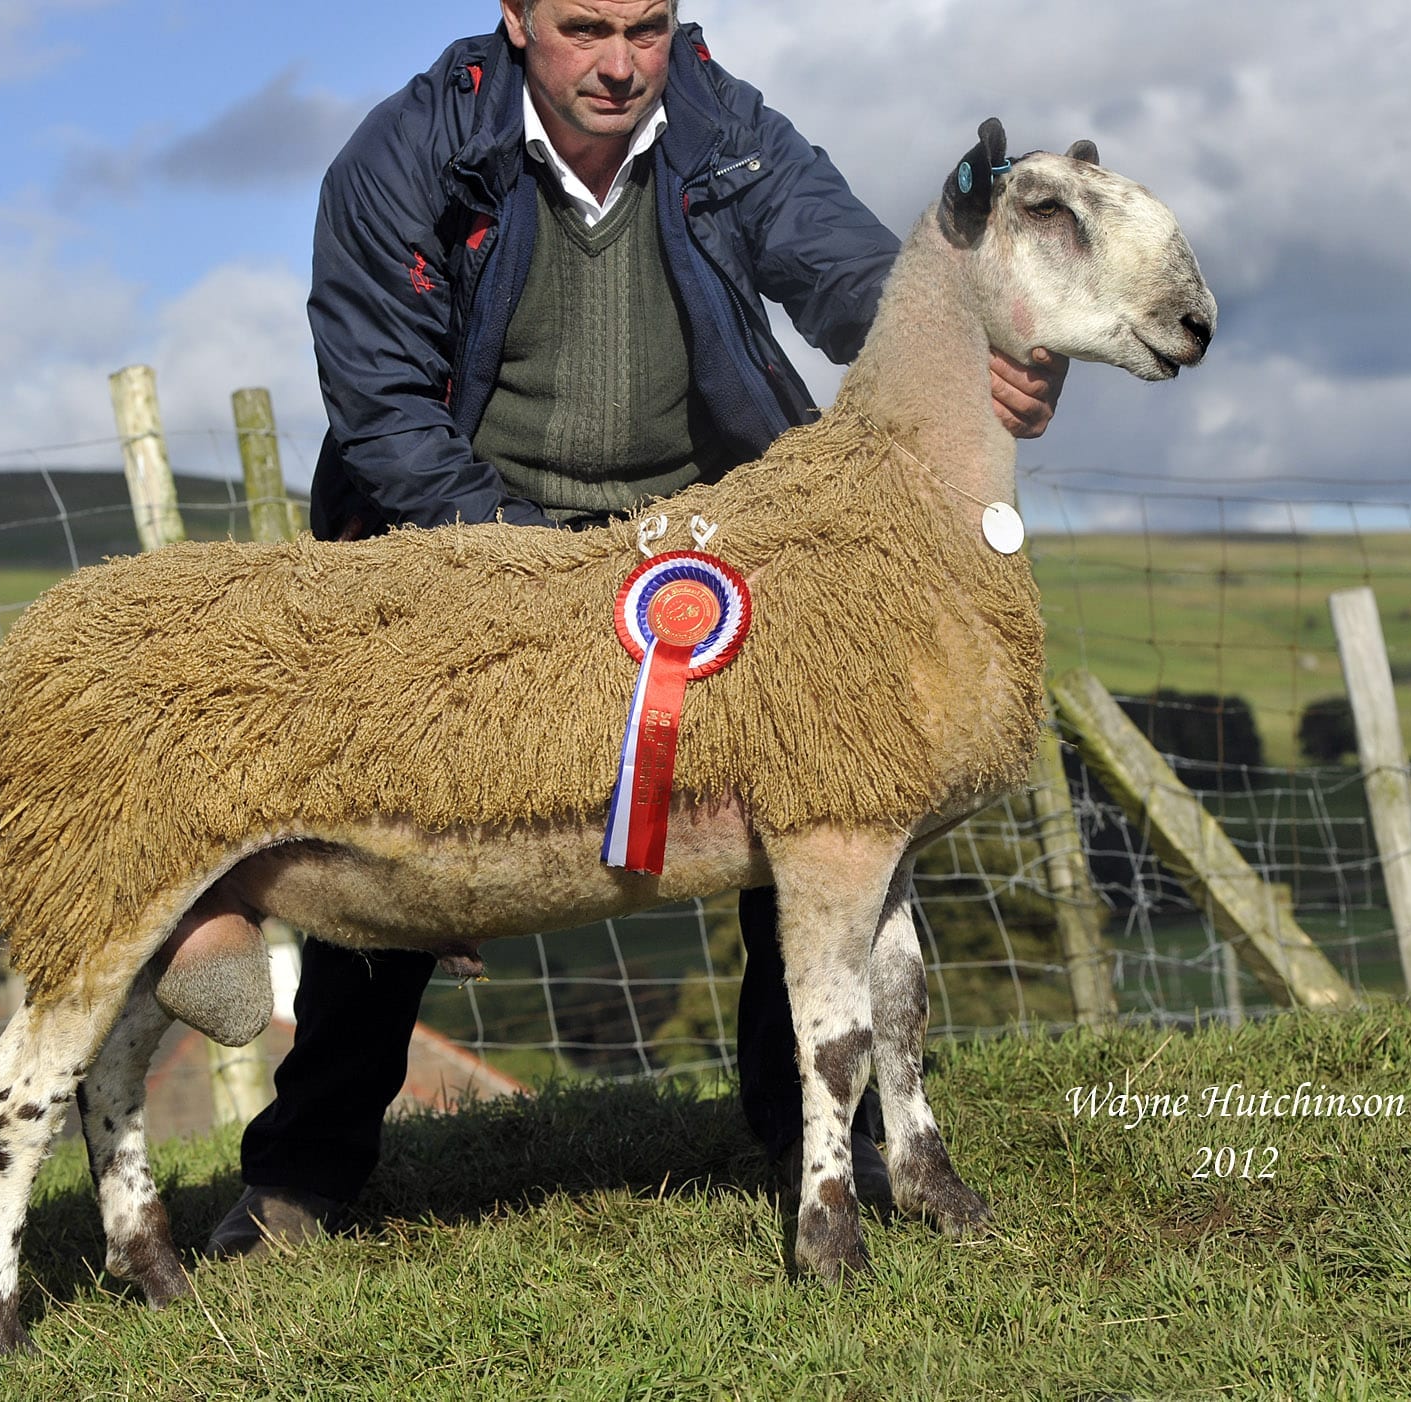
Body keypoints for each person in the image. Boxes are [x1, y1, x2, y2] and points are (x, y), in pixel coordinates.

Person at [205, 0, 1067, 1256]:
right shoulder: (402, 155)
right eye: (583, 27)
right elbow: (383, 403)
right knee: (388, 828)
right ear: (512, 19)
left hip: (701, 537)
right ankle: (305, 1172)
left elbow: (839, 267)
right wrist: (520, 568)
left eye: (647, 27)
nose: (618, 63)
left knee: (820, 797)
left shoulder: (726, 125)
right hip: (469, 533)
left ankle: (815, 1137)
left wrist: (970, 345)